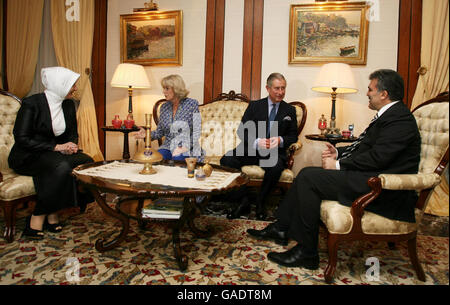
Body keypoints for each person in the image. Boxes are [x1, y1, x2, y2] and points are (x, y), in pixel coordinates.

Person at [247, 69, 421, 269]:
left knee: (308, 177)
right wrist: (338, 153)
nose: (367, 93)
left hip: (382, 189)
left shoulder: (399, 120)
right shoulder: (389, 116)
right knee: (307, 174)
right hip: (369, 178)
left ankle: (306, 252)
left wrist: (338, 164)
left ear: (384, 94)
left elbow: (378, 157)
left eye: (370, 89)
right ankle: (281, 228)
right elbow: (364, 148)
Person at [8, 67, 94, 240]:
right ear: (60, 85)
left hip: (53, 154)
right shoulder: (31, 103)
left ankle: (52, 212)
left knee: (86, 161)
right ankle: (40, 215)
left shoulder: (68, 104)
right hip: (27, 155)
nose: (75, 88)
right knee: (60, 167)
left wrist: (71, 145)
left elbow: (72, 133)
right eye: (72, 85)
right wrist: (56, 148)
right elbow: (22, 138)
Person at [220, 73, 298, 220]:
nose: (280, 92)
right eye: (277, 88)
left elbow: (293, 136)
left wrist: (280, 140)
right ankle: (243, 201)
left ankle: (261, 202)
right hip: (252, 149)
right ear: (267, 88)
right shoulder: (255, 106)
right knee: (227, 160)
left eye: (283, 88)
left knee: (275, 168)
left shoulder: (289, 110)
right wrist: (256, 142)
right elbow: (241, 130)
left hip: (274, 152)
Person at [136, 74, 204, 161]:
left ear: (176, 89)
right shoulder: (164, 107)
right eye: (163, 88)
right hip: (167, 147)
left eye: (167, 88)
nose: (164, 92)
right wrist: (147, 134)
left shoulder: (192, 104)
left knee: (177, 158)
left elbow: (197, 131)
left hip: (188, 147)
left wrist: (184, 147)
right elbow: (159, 132)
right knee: (156, 159)